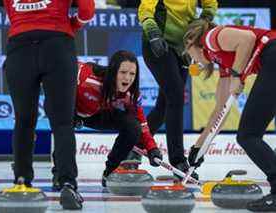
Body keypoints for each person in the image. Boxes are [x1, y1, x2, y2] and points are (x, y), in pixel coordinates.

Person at [3, 0, 95, 210]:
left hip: (20, 45)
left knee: (24, 120)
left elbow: (11, 10)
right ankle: (67, 183)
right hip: (58, 43)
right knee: (62, 122)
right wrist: (74, 24)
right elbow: (87, 9)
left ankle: (22, 180)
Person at [183, 19, 276, 212]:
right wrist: (199, 146)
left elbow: (248, 38)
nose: (192, 60)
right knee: (249, 135)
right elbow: (220, 110)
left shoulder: (211, 37)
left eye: (188, 53)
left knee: (248, 135)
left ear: (191, 41)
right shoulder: (222, 59)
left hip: (273, 54)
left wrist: (236, 75)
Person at [128, 0, 218, 179]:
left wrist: (202, 22)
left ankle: (135, 146)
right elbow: (145, 10)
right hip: (157, 43)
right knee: (176, 97)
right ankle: (177, 160)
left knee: (164, 106)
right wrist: (153, 34)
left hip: (183, 48)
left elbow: (211, 4)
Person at [52, 50, 163, 188]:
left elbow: (142, 123)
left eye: (132, 74)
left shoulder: (131, 94)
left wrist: (152, 148)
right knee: (65, 129)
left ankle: (110, 172)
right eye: (123, 72)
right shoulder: (86, 79)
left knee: (133, 127)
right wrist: (68, 112)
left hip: (96, 114)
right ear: (113, 71)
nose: (127, 79)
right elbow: (57, 88)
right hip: (68, 107)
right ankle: (60, 173)